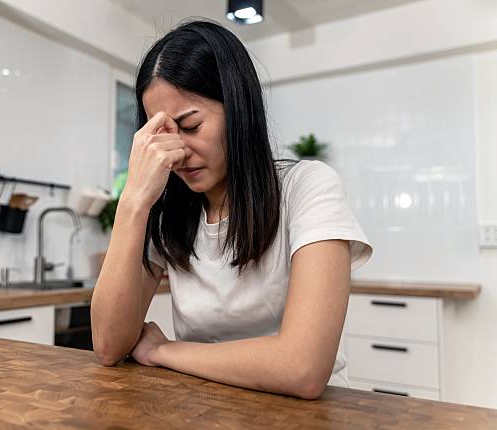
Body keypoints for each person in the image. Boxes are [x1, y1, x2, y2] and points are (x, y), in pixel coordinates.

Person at [90, 20, 372, 399]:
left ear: (238, 108)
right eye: (163, 134)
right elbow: (109, 345)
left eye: (190, 126)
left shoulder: (307, 187)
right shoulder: (167, 208)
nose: (178, 151)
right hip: (202, 409)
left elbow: (302, 368)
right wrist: (134, 200)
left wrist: (163, 350)